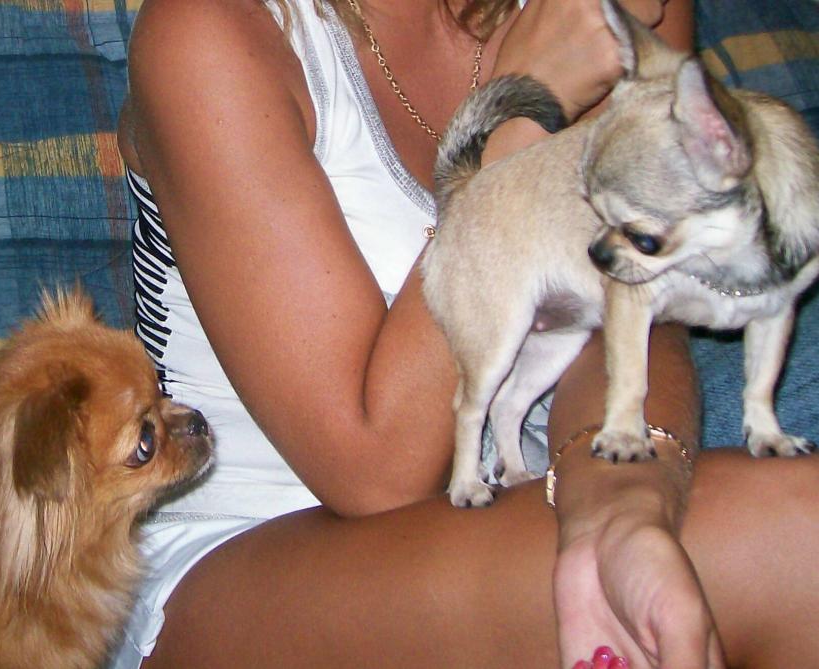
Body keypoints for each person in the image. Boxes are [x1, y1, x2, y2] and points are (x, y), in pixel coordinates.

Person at [113, 0, 819, 666]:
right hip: (248, 560)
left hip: (508, 503)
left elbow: (633, 300)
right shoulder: (209, 32)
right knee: (794, 537)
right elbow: (375, 469)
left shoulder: (601, 15)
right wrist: (523, 107)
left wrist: (617, 495)